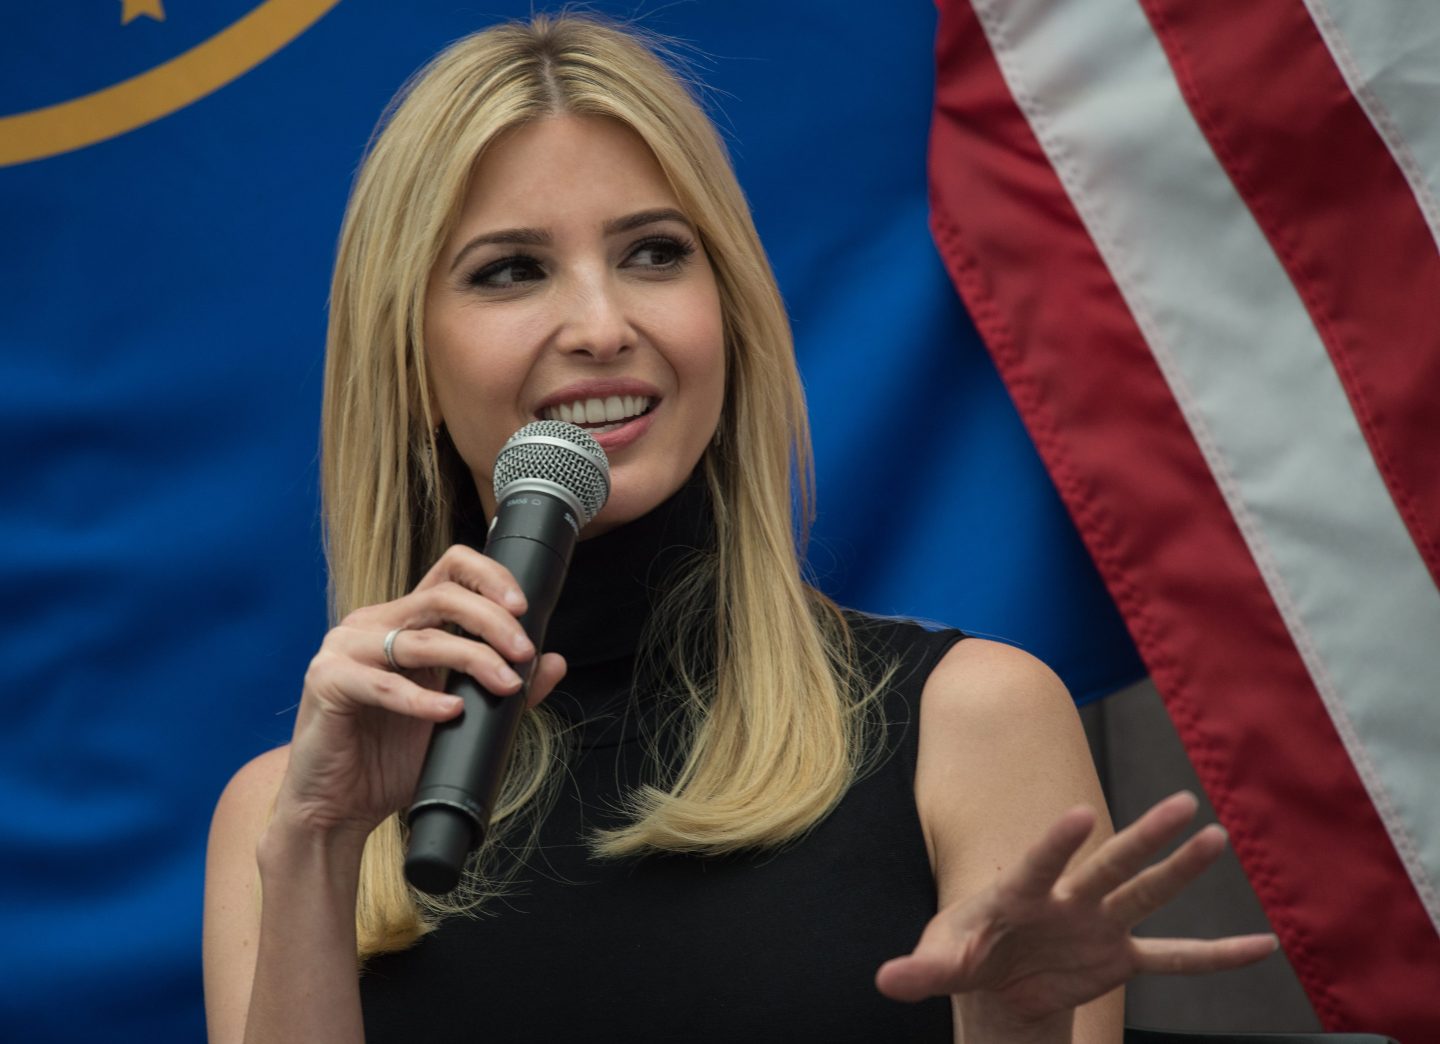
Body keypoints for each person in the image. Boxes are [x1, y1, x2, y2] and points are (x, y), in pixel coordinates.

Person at [202, 15, 1276, 1043]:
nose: (602, 326)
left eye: (654, 253)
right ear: (408, 359)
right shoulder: (285, 816)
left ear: (732, 310)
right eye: (512, 271)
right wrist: (319, 847)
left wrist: (1013, 1032)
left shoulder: (975, 723)